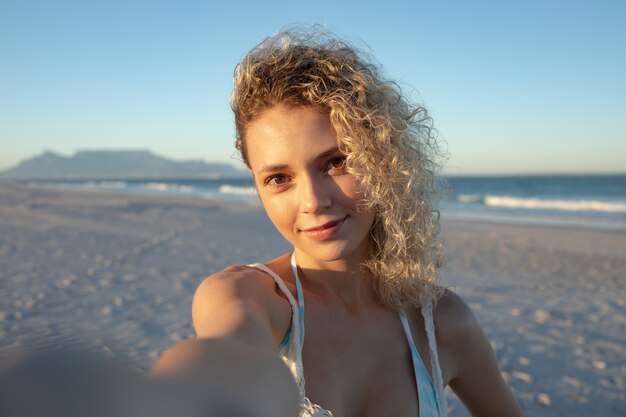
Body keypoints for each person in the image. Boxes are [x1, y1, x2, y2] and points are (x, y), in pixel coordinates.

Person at [151, 28, 523, 417]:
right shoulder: (247, 298)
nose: (312, 201)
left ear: (383, 158)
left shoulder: (442, 324)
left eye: (335, 162)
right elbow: (224, 353)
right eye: (279, 179)